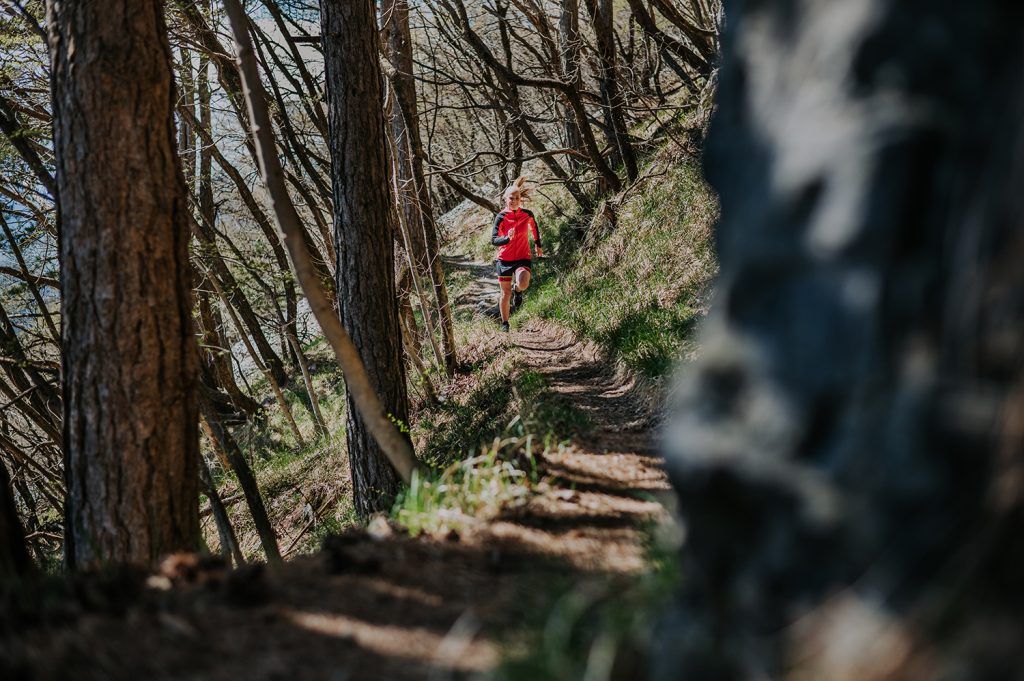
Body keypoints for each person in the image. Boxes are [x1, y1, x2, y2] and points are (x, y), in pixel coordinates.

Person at [491, 176, 543, 332]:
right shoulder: (501, 217)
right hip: (504, 259)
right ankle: (505, 324)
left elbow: (534, 228)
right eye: (511, 198)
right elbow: (494, 240)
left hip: (522, 257)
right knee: (505, 293)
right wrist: (507, 238)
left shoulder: (527, 214)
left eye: (517, 198)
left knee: (523, 283)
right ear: (505, 199)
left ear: (521, 200)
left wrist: (538, 245)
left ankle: (518, 290)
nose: (514, 200)